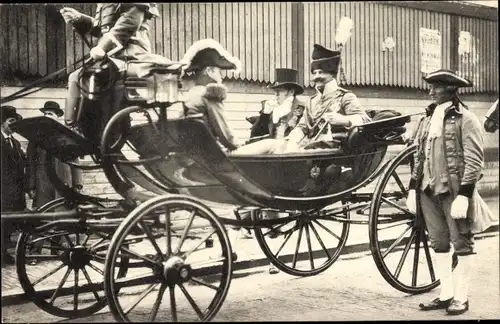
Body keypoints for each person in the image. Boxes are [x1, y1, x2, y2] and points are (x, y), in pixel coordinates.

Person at [406, 69, 495, 315]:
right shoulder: (426, 119)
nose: (430, 91)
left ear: (450, 90)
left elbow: (475, 160)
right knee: (439, 244)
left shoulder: (466, 119)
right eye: (431, 86)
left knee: (462, 244)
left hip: (454, 192)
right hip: (428, 191)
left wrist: (465, 195)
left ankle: (461, 297)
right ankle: (445, 294)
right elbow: (418, 156)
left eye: (436, 87)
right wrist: (413, 189)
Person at [233, 44, 371, 155]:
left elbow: (365, 120)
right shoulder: (312, 101)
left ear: (332, 74)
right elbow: (302, 127)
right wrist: (290, 143)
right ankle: (234, 156)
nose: (316, 77)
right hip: (310, 150)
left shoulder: (346, 97)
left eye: (321, 72)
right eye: (315, 73)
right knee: (273, 144)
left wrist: (344, 120)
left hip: (333, 152)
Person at [59, 3, 162, 136]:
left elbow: (127, 24)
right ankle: (74, 127)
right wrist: (79, 19)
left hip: (132, 56)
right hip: (114, 57)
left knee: (90, 76)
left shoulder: (134, 6)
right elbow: (103, 29)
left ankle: (90, 131)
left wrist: (102, 47)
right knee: (75, 76)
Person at [180, 38, 243, 151]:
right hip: (211, 159)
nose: (222, 76)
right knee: (272, 145)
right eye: (220, 72)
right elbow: (228, 138)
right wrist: (242, 147)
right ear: (209, 71)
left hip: (194, 156)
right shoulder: (210, 94)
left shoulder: (190, 94)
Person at [26, 101, 84, 210]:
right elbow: (30, 163)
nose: (47, 117)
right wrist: (31, 186)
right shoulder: (35, 138)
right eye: (46, 114)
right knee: (44, 213)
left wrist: (77, 184)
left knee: (63, 212)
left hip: (63, 181)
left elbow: (75, 161)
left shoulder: (66, 136)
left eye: (50, 114)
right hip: (42, 185)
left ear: (57, 117)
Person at [247, 68, 306, 141]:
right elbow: (254, 136)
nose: (276, 95)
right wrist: (265, 114)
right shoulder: (272, 109)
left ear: (291, 92)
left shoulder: (302, 110)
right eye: (275, 91)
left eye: (280, 91)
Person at [1, 106, 27, 266]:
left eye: (15, 122)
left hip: (15, 192)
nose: (13, 126)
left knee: (9, 225)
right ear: (2, 122)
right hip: (2, 191)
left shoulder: (16, 143)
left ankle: (4, 253)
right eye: (10, 122)